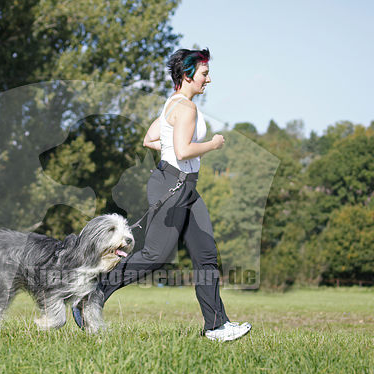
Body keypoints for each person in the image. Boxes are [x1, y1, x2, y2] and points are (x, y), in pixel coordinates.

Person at [73, 48, 251, 342]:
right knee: (155, 255)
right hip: (174, 184)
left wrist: (171, 153)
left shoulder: (173, 104)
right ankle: (92, 295)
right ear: (187, 75)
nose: (208, 79)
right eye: (205, 74)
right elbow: (183, 151)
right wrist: (213, 144)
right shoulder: (186, 108)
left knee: (206, 254)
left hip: (183, 186)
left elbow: (150, 139)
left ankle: (216, 326)